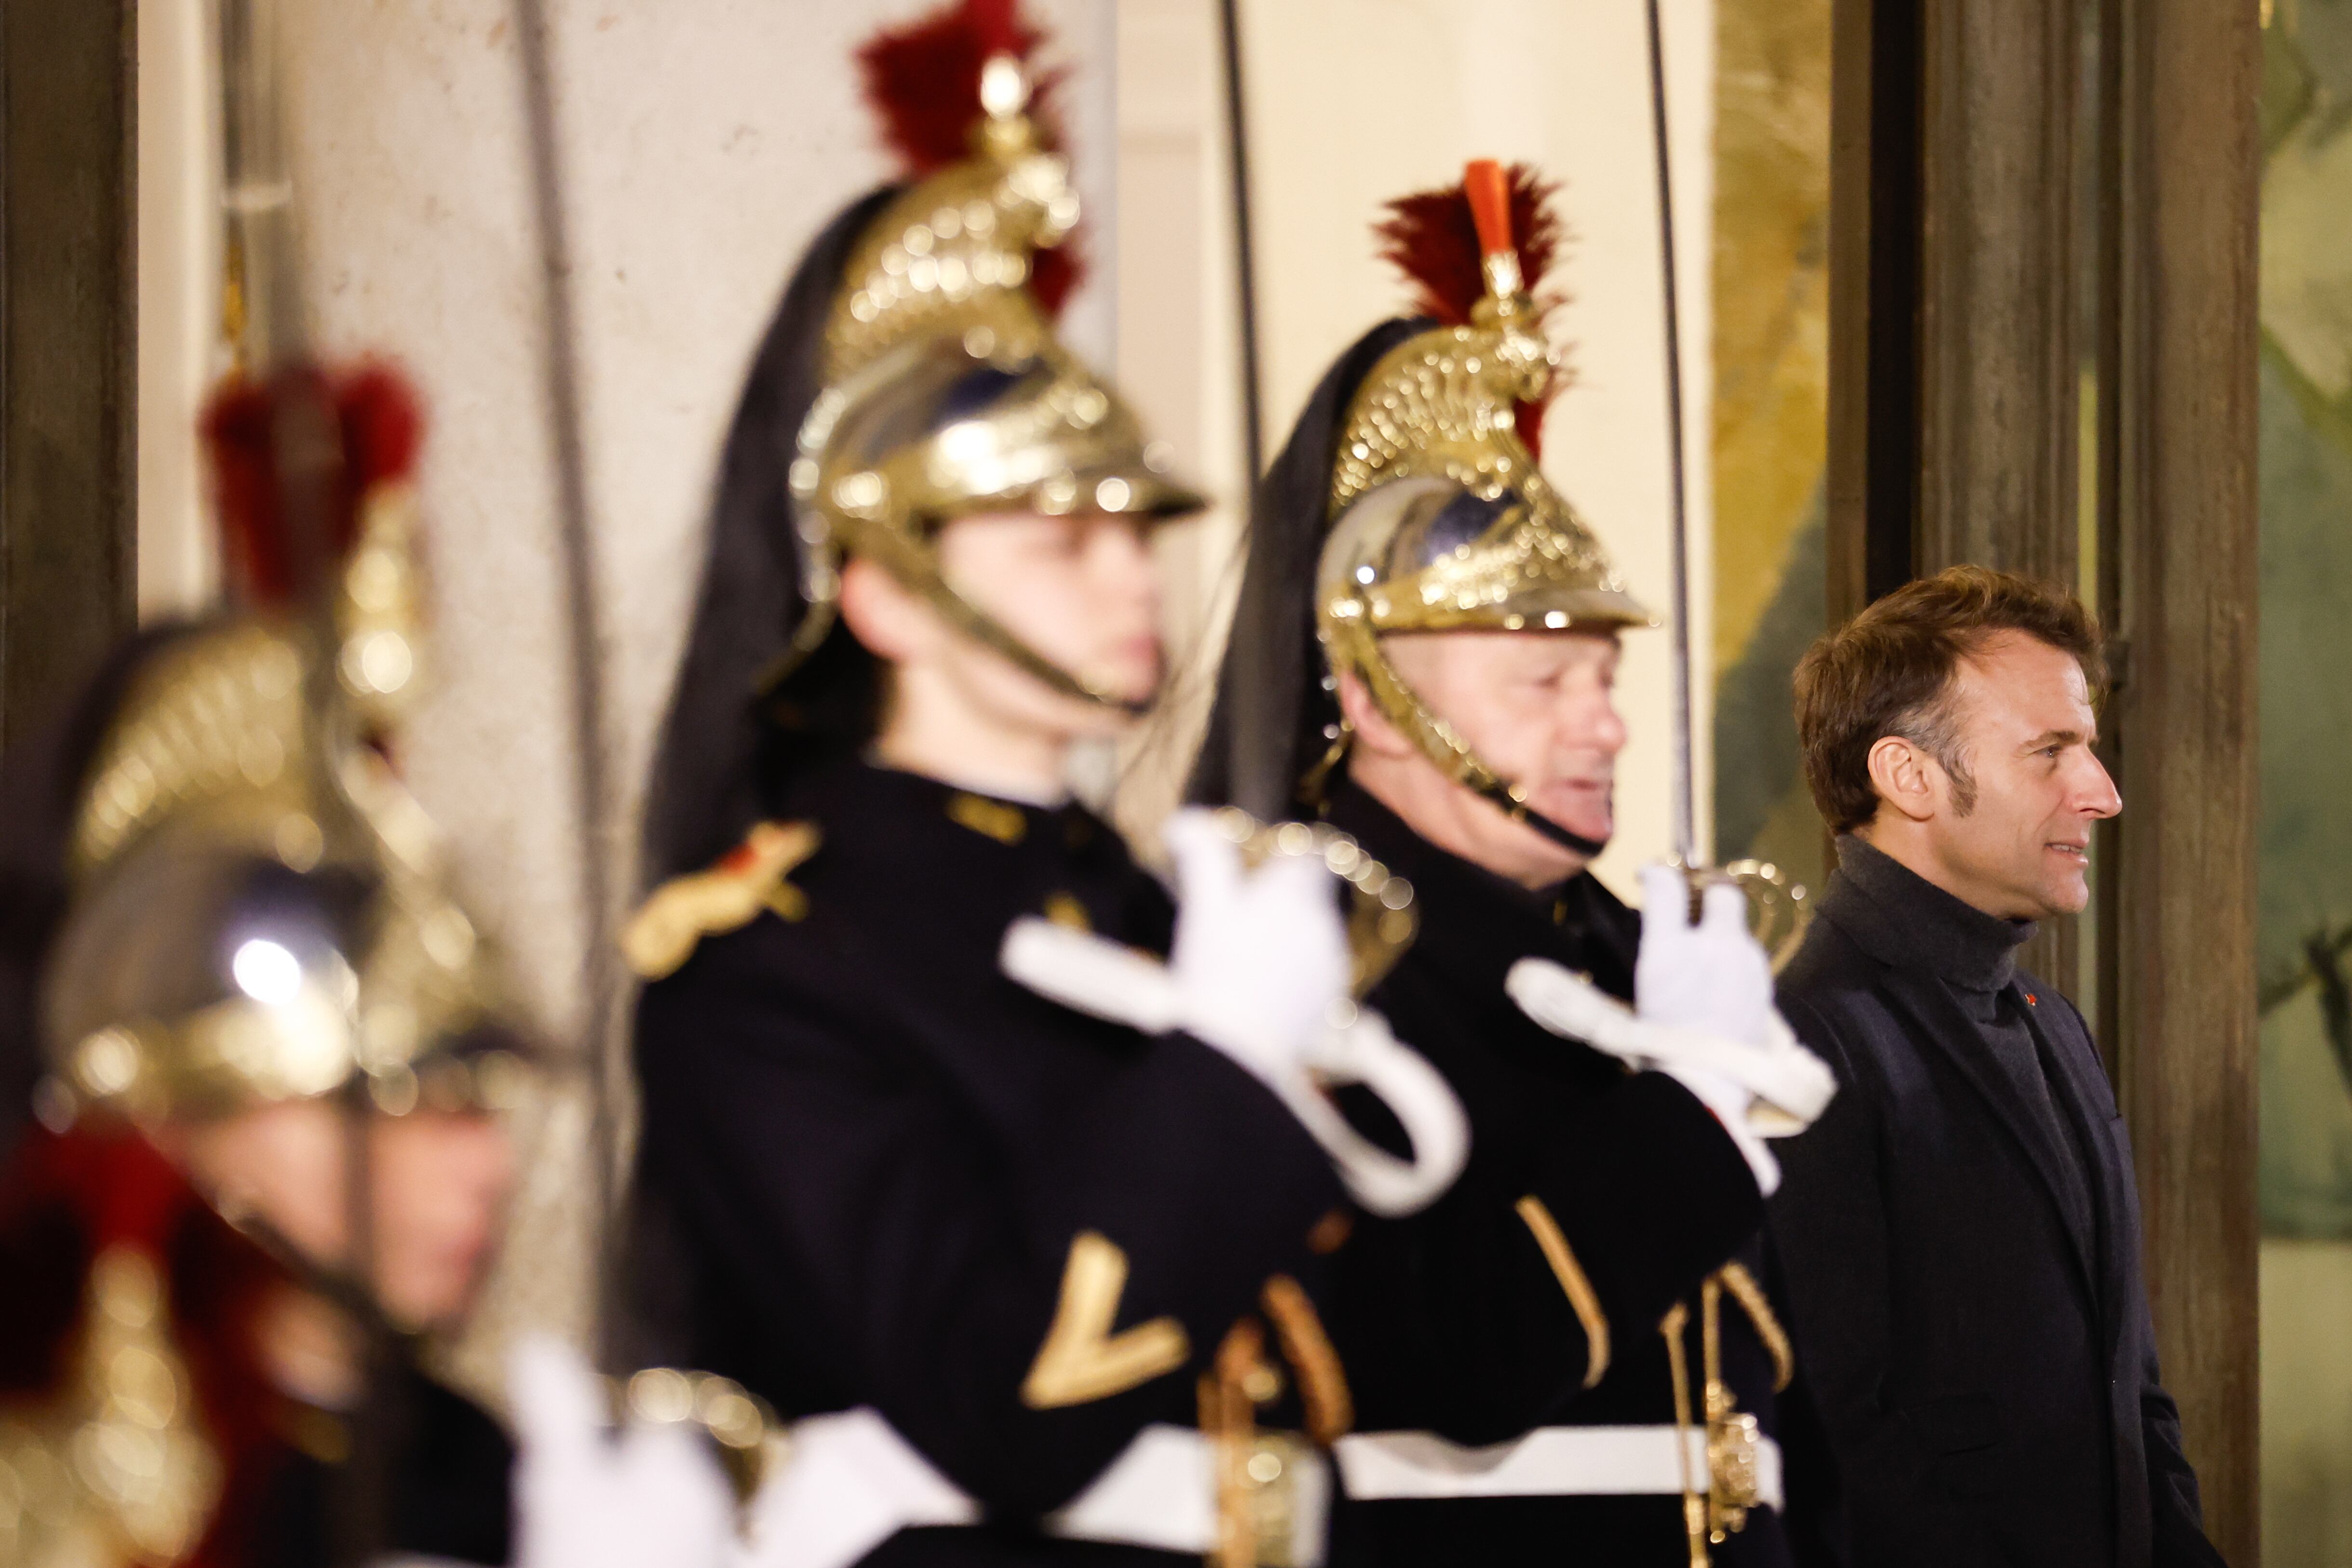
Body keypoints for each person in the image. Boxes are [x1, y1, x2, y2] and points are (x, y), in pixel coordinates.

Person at [624, 4, 1462, 1564]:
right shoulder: (767, 961)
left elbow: (1357, 1358)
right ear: (881, 597)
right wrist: (1221, 1068)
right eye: (1060, 541)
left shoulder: (1134, 900)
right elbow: (1007, 1395)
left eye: (1128, 529)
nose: (1124, 577)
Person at [1190, 160, 1832, 1567]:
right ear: (1368, 695)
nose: (1600, 722)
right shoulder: (1312, 950)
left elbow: (1755, 1406)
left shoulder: (1617, 945)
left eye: (1600, 673)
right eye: (1539, 682)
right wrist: (1691, 1112)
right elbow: (1456, 1353)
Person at [0, 368, 527, 1568]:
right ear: (185, 1118)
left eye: (473, 1092)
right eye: (389, 1095)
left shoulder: (475, 1466)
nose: (484, 1163)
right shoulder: (58, 1475)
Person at [1766, 566, 2225, 1567]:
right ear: (1909, 777)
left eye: (2090, 749)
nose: (2101, 793)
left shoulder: (2053, 1022)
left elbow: (2131, 1399)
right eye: (2051, 751)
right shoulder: (1801, 1037)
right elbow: (1838, 1446)